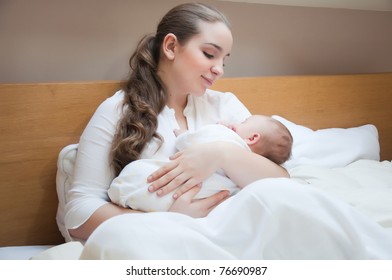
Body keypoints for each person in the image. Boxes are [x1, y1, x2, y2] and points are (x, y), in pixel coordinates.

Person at [64, 2, 288, 243]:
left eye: (224, 60)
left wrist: (221, 154)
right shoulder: (117, 111)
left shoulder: (225, 106)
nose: (220, 69)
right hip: (159, 243)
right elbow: (79, 215)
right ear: (171, 47)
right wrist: (167, 219)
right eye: (210, 54)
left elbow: (282, 184)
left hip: (230, 238)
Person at [108, 115, 293, 212]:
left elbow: (191, 141)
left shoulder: (226, 136)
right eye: (209, 54)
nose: (218, 69)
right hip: (197, 199)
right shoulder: (246, 169)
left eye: (244, 121)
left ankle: (127, 193)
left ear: (252, 137)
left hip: (196, 199)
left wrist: (184, 135)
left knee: (145, 178)